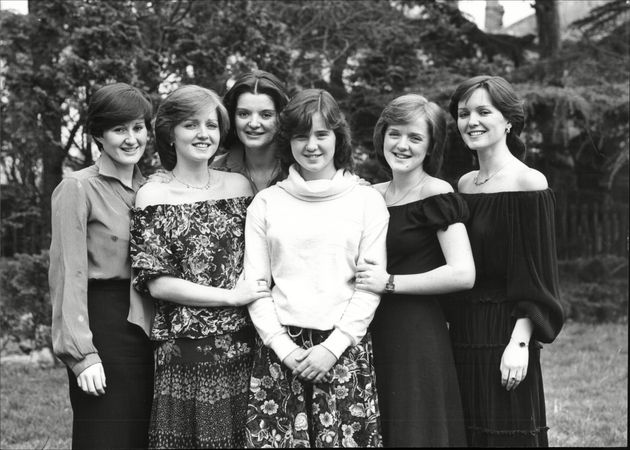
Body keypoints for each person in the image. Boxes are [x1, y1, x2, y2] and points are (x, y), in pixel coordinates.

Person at [243, 89, 389, 447]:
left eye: (321, 134)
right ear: (287, 141)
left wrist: (333, 347)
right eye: (300, 135)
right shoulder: (266, 203)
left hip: (342, 351)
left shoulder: (366, 200)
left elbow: (368, 287)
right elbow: (255, 284)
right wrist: (284, 348)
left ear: (338, 137)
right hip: (281, 353)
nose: (311, 145)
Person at [129, 85, 271, 448]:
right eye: (191, 125)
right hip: (185, 350)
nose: (203, 134)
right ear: (170, 133)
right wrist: (230, 297)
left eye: (211, 124)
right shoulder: (152, 195)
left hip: (246, 346)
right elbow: (158, 283)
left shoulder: (240, 186)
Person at [446, 75, 565, 447]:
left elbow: (540, 276)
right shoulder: (464, 185)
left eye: (484, 111)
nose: (472, 121)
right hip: (464, 331)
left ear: (509, 121)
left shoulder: (529, 183)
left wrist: (520, 343)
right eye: (464, 113)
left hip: (506, 332)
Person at [356, 93, 475, 447]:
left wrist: (389, 283)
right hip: (368, 330)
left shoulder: (436, 193)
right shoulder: (369, 194)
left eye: (415, 137)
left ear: (430, 146)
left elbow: (462, 273)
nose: (402, 145)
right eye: (395, 134)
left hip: (415, 333)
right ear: (382, 136)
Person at [49, 82, 155, 449]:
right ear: (98, 134)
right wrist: (82, 354)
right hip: (103, 328)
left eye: (138, 127)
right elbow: (68, 273)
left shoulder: (152, 190)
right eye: (119, 129)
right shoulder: (77, 188)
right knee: (107, 437)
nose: (131, 139)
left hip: (150, 332)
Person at [212, 70, 290, 193]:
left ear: (281, 117)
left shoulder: (299, 170)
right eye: (244, 114)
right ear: (232, 117)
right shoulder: (213, 171)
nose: (253, 123)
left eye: (265, 115)